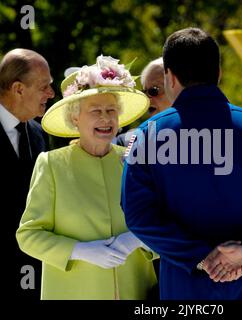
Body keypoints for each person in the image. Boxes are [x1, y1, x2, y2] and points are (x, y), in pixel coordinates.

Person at [121, 27, 242, 300]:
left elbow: (138, 215)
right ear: (218, 73)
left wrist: (201, 257)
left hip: (186, 285)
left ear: (170, 78)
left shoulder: (148, 136)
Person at [16, 55, 157, 300]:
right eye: (96, 111)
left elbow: (164, 224)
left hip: (137, 292)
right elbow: (28, 236)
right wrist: (79, 251)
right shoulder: (51, 165)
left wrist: (136, 239)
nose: (105, 118)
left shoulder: (136, 161)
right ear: (75, 118)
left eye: (111, 110)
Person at [0, 49, 54, 300]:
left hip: (35, 279)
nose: (50, 94)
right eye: (44, 86)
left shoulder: (39, 134)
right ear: (18, 89)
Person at [116, 57, 171, 146]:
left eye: (154, 90)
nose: (148, 99)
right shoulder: (128, 141)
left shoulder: (198, 137)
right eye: (144, 93)